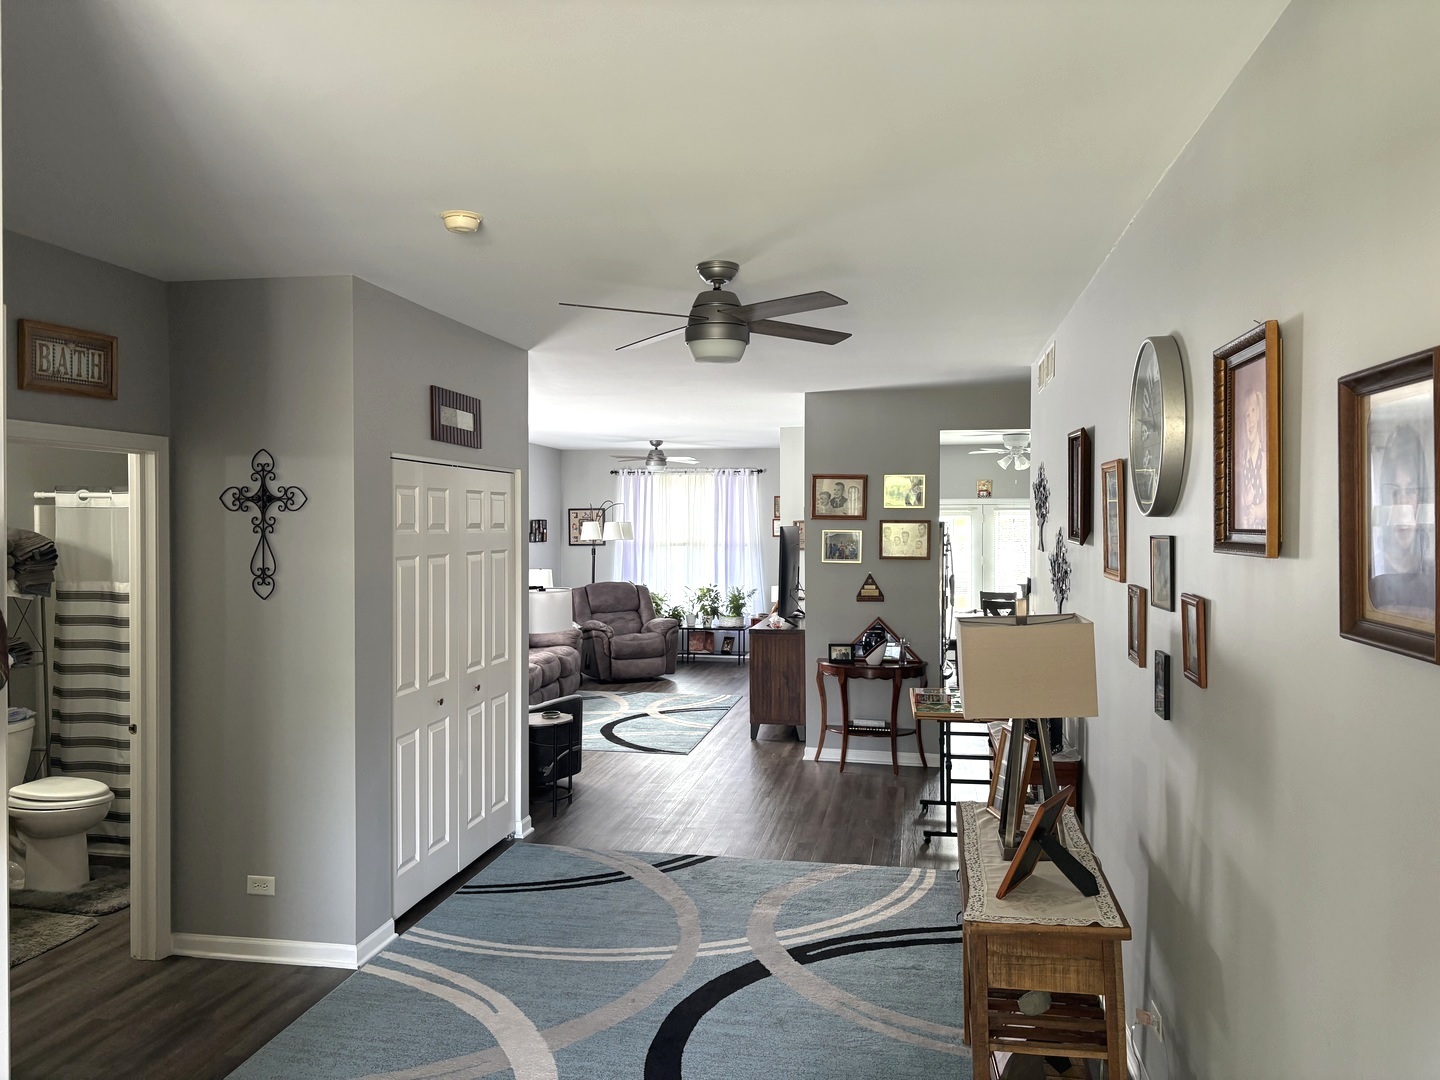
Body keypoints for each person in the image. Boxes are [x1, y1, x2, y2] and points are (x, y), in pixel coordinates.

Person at [1369, 423, 1435, 616]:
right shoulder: (1369, 575)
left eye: (1411, 491)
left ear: (1421, 498)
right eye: (1395, 492)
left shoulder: (1434, 575)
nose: (1402, 504)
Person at [1235, 385, 1266, 531]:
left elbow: (1270, 502)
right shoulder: (1244, 460)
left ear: (1258, 413)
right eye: (1246, 415)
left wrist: (1256, 511)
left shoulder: (1263, 458)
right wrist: (1244, 501)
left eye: (1253, 411)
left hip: (1261, 530)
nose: (1250, 420)